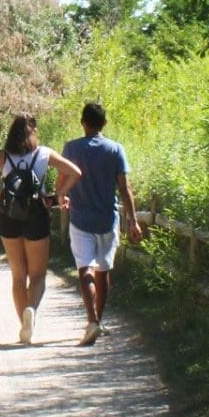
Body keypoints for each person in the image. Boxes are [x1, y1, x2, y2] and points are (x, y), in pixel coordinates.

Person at [0, 114, 81, 345]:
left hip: (9, 215)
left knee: (18, 275)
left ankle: (25, 326)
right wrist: (59, 195)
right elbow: (76, 172)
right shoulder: (44, 154)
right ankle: (31, 311)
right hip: (37, 213)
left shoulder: (2, 157)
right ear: (33, 132)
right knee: (37, 275)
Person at [60, 101, 143, 346]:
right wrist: (134, 221)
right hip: (107, 219)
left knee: (84, 268)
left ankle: (92, 320)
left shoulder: (71, 148)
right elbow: (125, 188)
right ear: (105, 123)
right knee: (103, 270)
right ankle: (98, 320)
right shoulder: (116, 149)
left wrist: (62, 199)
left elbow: (63, 180)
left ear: (82, 123)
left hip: (80, 218)